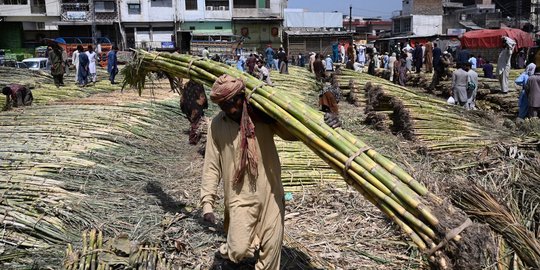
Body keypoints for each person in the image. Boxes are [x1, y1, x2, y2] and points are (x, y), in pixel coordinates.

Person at [201, 75, 340, 270]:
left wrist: (325, 123)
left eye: (234, 102)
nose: (231, 109)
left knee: (271, 254)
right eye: (224, 105)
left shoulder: (262, 116)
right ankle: (225, 253)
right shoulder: (217, 125)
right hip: (239, 196)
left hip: (271, 193)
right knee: (239, 250)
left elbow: (295, 132)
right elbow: (212, 165)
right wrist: (208, 203)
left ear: (243, 96)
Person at [180, 80, 208, 145]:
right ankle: (194, 139)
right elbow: (202, 97)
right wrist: (204, 104)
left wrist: (184, 106)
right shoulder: (198, 84)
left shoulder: (187, 84)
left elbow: (183, 97)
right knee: (196, 122)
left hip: (187, 106)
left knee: (194, 121)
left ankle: (195, 136)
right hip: (195, 107)